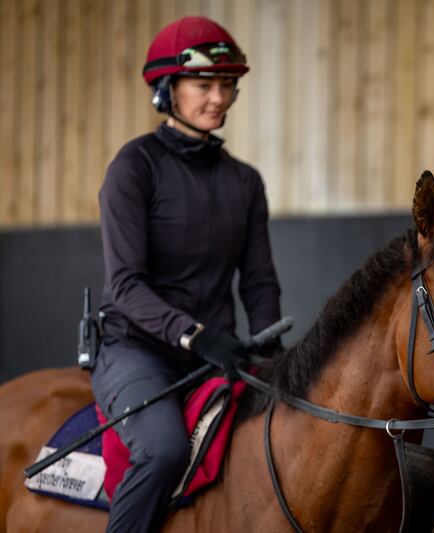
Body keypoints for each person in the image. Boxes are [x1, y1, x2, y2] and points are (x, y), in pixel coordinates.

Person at [91, 16, 281, 532]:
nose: (218, 97)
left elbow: (259, 280)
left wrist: (267, 343)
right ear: (166, 90)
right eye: (204, 85)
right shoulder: (133, 169)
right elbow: (126, 286)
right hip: (137, 351)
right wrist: (196, 336)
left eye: (227, 85)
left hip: (216, 355)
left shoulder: (245, 182)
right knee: (164, 450)